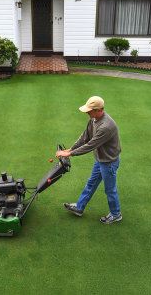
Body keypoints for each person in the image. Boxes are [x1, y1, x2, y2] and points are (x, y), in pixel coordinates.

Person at [56, 95, 122, 224]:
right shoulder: (93, 119)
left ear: (98, 110)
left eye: (89, 110)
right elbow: (85, 136)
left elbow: (90, 145)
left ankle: (116, 214)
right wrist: (70, 149)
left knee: (110, 189)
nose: (86, 112)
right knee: (91, 183)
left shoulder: (106, 126)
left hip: (109, 162)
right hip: (100, 159)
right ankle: (79, 208)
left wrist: (69, 154)